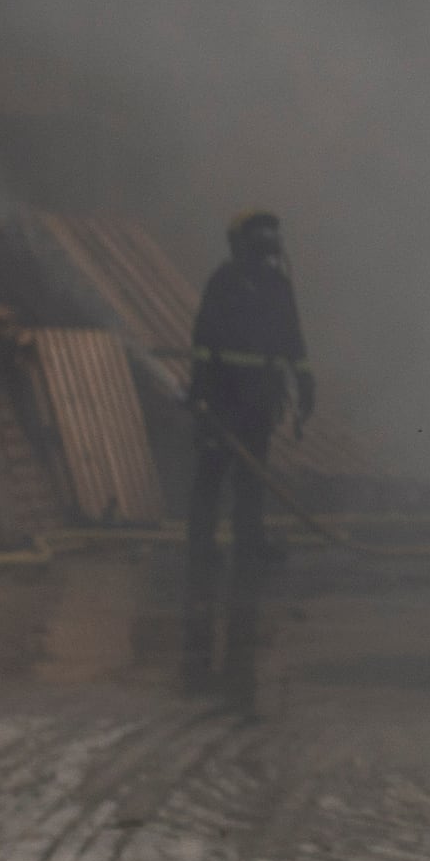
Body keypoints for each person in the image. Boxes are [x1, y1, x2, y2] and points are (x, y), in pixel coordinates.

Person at [183, 211, 311, 692]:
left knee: (250, 481)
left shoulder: (276, 287)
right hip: (225, 401)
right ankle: (201, 550)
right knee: (213, 477)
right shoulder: (226, 282)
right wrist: (201, 392)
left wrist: (306, 380)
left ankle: (245, 552)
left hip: (257, 404)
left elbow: (294, 340)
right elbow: (203, 340)